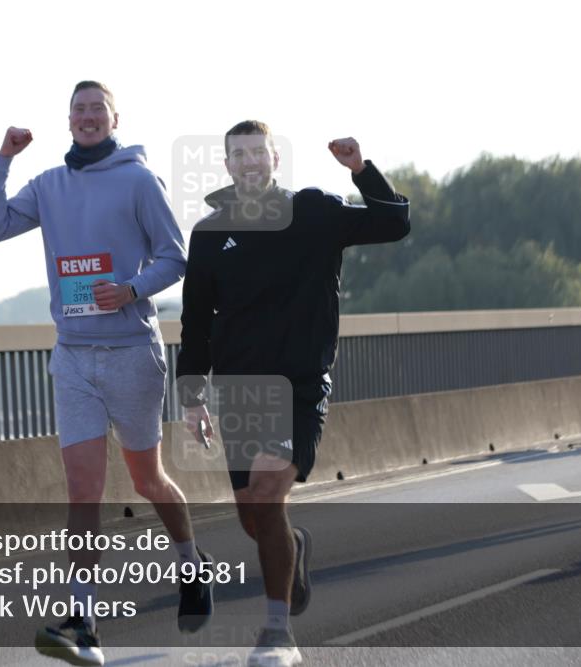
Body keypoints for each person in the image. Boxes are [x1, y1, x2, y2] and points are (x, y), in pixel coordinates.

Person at [0, 81, 212, 666]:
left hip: (132, 349)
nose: (86, 118)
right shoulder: (51, 185)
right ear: (69, 120)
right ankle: (83, 619)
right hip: (74, 355)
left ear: (113, 119)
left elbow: (175, 256)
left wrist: (130, 288)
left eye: (95, 110)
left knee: (147, 479)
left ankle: (191, 564)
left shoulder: (138, 179)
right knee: (83, 491)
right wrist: (2, 159)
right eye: (77, 110)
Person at [176, 120, 410, 667]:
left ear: (274, 159)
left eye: (259, 152)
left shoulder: (313, 211)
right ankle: (293, 548)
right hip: (239, 391)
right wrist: (192, 397)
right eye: (240, 155)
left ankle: (278, 634)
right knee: (253, 517)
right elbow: (196, 324)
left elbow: (393, 222)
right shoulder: (210, 233)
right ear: (228, 166)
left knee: (265, 491)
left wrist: (361, 169)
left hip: (298, 384)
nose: (250, 162)